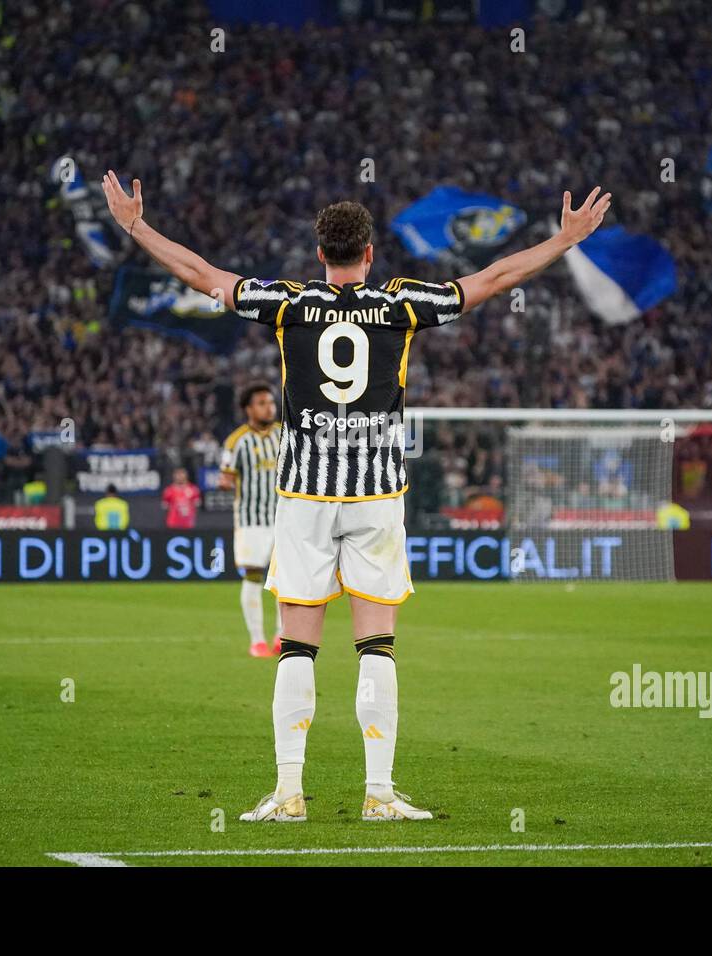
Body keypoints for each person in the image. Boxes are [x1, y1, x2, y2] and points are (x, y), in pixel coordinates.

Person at [102, 169, 610, 822]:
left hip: (305, 496)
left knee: (297, 645)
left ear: (320, 255)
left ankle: (288, 793)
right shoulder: (400, 306)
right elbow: (492, 280)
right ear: (369, 254)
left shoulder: (288, 304)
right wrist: (563, 240)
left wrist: (138, 226)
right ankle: (379, 794)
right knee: (376, 644)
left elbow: (203, 276)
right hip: (375, 496)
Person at [219, 382, 283, 658]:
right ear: (249, 409)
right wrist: (224, 481)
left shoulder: (284, 434)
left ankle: (282, 636)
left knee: (287, 579)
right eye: (262, 403)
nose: (269, 407)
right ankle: (257, 640)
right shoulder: (237, 441)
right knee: (254, 576)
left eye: (270, 402)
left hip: (285, 518)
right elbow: (227, 475)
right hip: (251, 520)